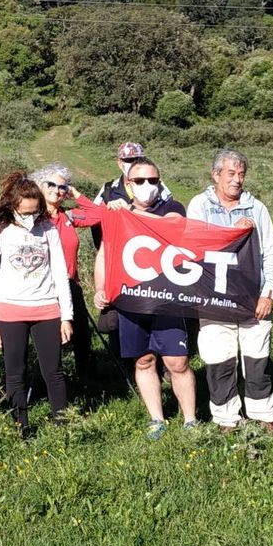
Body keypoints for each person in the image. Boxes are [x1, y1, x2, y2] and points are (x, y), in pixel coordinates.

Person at [91, 158, 197, 439]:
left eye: (153, 180)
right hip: (131, 299)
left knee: (178, 362)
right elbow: (104, 253)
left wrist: (131, 214)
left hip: (167, 300)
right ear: (128, 184)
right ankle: (157, 419)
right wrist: (100, 288)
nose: (147, 185)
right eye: (139, 181)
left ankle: (190, 420)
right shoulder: (116, 214)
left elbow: (171, 227)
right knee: (144, 361)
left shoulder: (172, 207)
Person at [187, 148, 273, 432]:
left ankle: (263, 414)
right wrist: (231, 232)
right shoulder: (199, 205)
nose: (237, 180)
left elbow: (271, 254)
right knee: (219, 362)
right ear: (215, 175)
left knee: (257, 361)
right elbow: (193, 246)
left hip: (253, 300)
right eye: (231, 173)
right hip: (214, 299)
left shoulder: (257, 209)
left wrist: (268, 293)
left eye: (241, 174)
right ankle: (226, 418)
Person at [0, 172, 74, 436]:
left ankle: (63, 426)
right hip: (9, 311)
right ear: (12, 207)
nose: (30, 217)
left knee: (54, 371)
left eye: (35, 212)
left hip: (47, 309)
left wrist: (66, 316)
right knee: (15, 372)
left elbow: (60, 273)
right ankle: (20, 428)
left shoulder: (48, 229)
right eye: (24, 213)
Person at [33, 162, 96, 378]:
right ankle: (49, 381)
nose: (57, 190)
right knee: (51, 340)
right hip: (44, 288)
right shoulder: (32, 218)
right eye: (51, 184)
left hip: (71, 285)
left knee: (82, 337)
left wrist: (75, 193)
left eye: (62, 187)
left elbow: (98, 215)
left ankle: (84, 381)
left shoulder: (68, 216)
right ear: (39, 186)